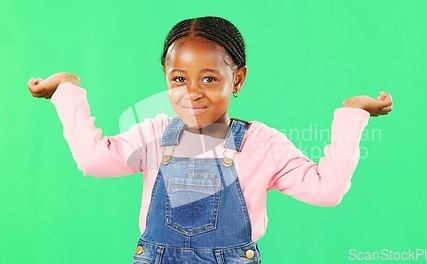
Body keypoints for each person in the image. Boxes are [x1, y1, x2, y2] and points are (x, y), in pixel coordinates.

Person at [28, 16, 393, 264]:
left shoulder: (261, 144)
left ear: (237, 80)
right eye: (178, 79)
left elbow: (326, 191)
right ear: (166, 78)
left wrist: (352, 115)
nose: (192, 93)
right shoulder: (154, 134)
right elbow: (93, 160)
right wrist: (67, 93)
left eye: (209, 79)